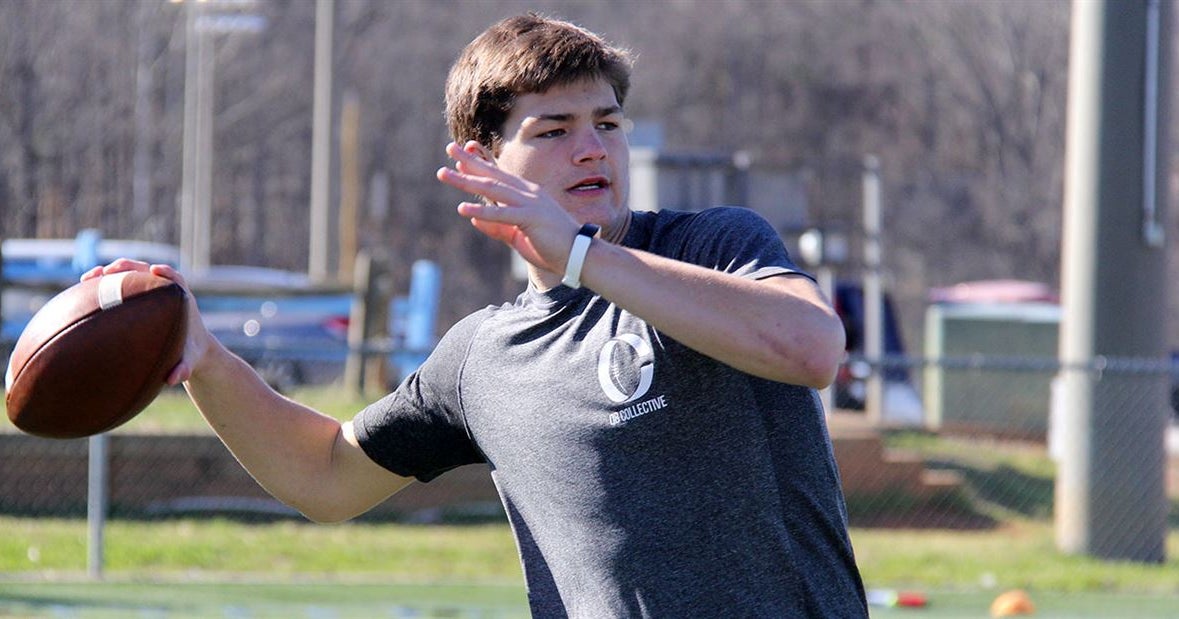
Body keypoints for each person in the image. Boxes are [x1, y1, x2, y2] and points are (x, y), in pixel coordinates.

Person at [87, 13, 867, 618]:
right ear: (481, 161)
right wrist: (207, 361)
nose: (592, 148)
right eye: (554, 131)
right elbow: (323, 475)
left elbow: (808, 347)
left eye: (606, 123)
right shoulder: (481, 358)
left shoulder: (712, 245)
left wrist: (581, 255)